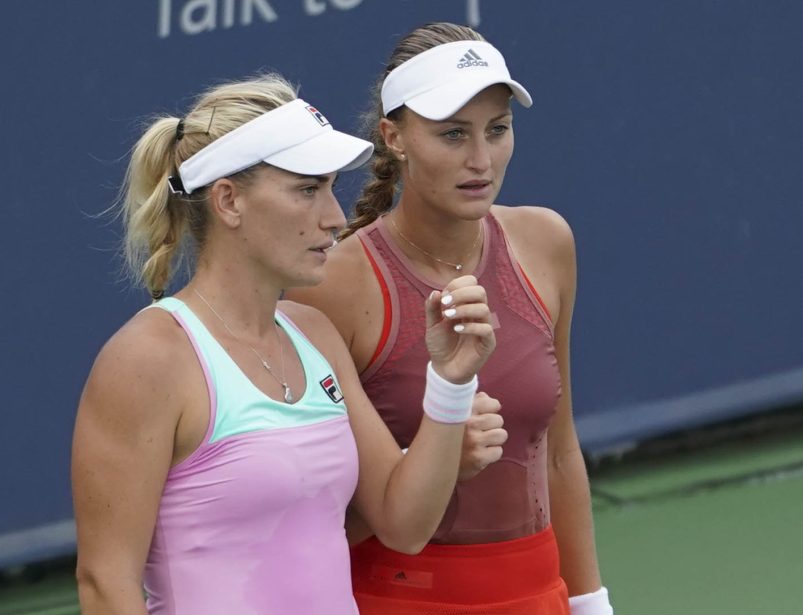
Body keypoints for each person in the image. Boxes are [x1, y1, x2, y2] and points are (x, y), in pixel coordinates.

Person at [70, 73, 500, 615]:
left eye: (329, 189)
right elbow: (106, 583)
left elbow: (404, 523)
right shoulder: (148, 360)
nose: (335, 217)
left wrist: (449, 383)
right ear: (228, 200)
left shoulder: (313, 334)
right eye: (306, 190)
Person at [286, 23, 613, 614]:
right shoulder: (331, 286)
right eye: (453, 135)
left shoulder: (547, 242)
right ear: (395, 137)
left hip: (540, 595)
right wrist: (431, 467)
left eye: (498, 130)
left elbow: (560, 453)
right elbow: (304, 520)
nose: (481, 161)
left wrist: (591, 602)